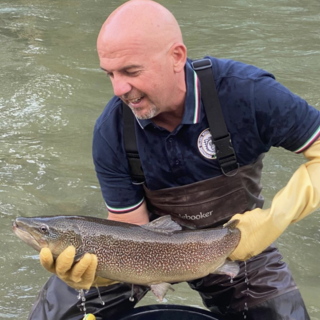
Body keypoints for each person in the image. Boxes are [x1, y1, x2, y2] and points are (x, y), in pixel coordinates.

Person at [28, 1, 320, 320]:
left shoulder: (248, 94)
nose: (119, 88)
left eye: (131, 71)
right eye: (110, 73)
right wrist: (103, 272)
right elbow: (129, 230)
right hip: (144, 249)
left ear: (177, 57)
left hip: (235, 240)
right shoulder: (111, 130)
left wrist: (274, 218)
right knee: (55, 313)